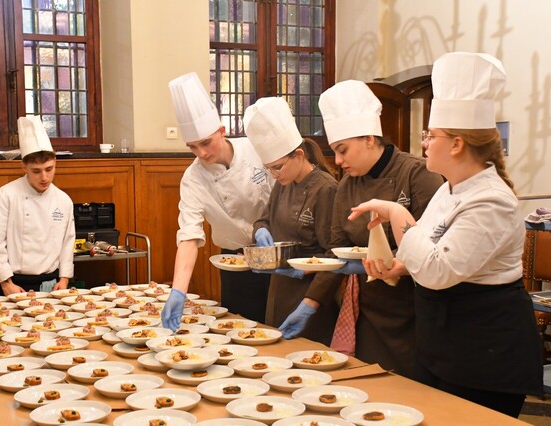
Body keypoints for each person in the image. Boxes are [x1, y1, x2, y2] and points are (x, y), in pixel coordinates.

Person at [349, 52, 543, 417]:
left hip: (486, 353)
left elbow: (439, 271)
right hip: (444, 344)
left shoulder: (492, 200)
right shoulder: (450, 187)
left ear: (456, 144)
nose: (424, 144)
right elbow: (432, 251)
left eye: (430, 136)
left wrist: (398, 212)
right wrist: (400, 267)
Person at [278, 80, 443, 379]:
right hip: (367, 308)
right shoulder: (346, 187)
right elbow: (335, 249)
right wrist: (310, 303)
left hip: (413, 308)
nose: (338, 161)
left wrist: (394, 263)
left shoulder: (417, 174)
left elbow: (434, 245)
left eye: (343, 151)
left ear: (369, 138)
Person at [161, 72, 273, 331]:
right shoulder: (193, 178)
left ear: (221, 132)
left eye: (205, 143)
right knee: (241, 332)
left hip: (274, 255)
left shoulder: (255, 150)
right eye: (192, 147)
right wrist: (179, 290)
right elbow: (189, 236)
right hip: (234, 264)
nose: (201, 153)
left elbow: (284, 194)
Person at [244, 97, 340, 345]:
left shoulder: (326, 189)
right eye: (269, 169)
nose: (275, 175)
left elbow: (335, 254)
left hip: (311, 292)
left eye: (278, 167)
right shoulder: (282, 184)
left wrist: (308, 288)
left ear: (299, 155)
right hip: (279, 287)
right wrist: (260, 231)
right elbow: (263, 219)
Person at [0, 116, 75, 295]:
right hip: (13, 284)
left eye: (49, 169)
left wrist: (64, 279)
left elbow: (67, 243)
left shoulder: (63, 200)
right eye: (36, 171)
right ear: (24, 167)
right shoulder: (6, 195)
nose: (44, 177)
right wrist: (5, 282)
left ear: (55, 164)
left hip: (52, 285)